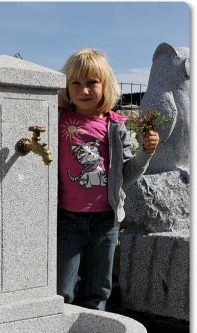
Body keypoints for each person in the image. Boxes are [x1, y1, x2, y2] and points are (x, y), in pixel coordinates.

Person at [57, 48, 159, 311]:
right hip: (66, 218)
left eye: (92, 82)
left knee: (99, 288)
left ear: (105, 85)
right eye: (76, 83)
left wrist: (146, 152)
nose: (84, 90)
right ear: (66, 87)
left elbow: (126, 174)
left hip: (106, 220)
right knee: (60, 288)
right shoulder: (58, 118)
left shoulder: (115, 125)